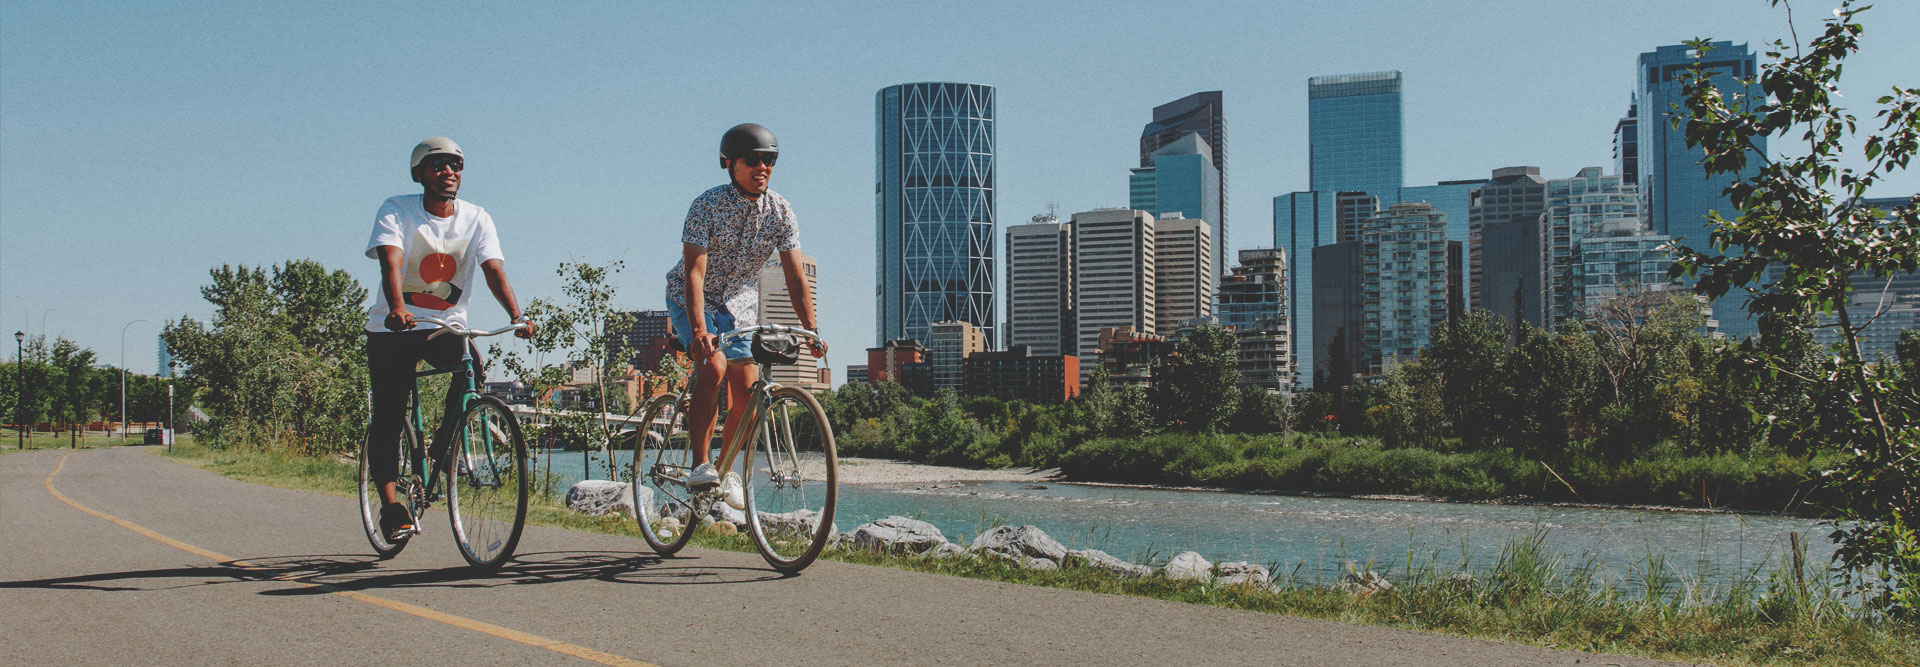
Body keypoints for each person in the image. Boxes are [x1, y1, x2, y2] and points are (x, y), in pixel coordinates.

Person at [364, 137, 535, 541]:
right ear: (419, 173)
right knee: (388, 417)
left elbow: (493, 269)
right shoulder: (397, 209)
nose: (448, 172)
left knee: (471, 370)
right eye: (437, 165)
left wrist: (517, 315)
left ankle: (443, 453)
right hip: (395, 328)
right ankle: (392, 507)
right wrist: (397, 307)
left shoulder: (477, 218)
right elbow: (391, 261)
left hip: (446, 328)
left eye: (455, 165)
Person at [664, 123, 826, 510]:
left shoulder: (781, 210)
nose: (762, 167)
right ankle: (700, 463)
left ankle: (720, 473)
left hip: (740, 305)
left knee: (749, 395)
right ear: (728, 163)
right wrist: (700, 330)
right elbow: (694, 273)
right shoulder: (706, 205)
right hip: (694, 298)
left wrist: (811, 329)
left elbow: (794, 275)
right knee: (713, 367)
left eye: (770, 160)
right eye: (753, 160)